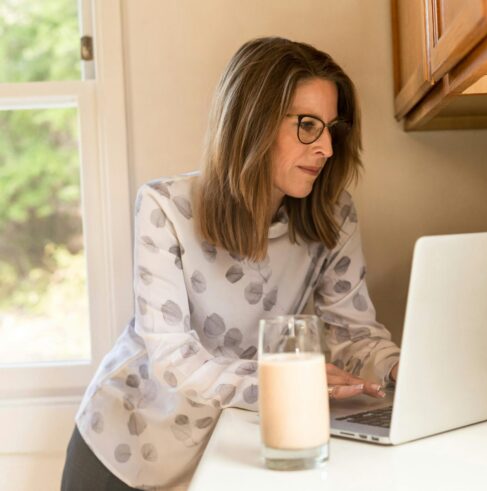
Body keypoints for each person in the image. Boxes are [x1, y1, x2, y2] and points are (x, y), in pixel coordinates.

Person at [61, 36, 400, 490]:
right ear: (251, 122)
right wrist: (287, 383)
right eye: (306, 125)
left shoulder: (333, 216)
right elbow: (174, 359)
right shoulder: (165, 207)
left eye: (331, 129)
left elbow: (351, 334)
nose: (327, 149)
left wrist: (402, 368)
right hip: (125, 448)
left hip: (225, 450)